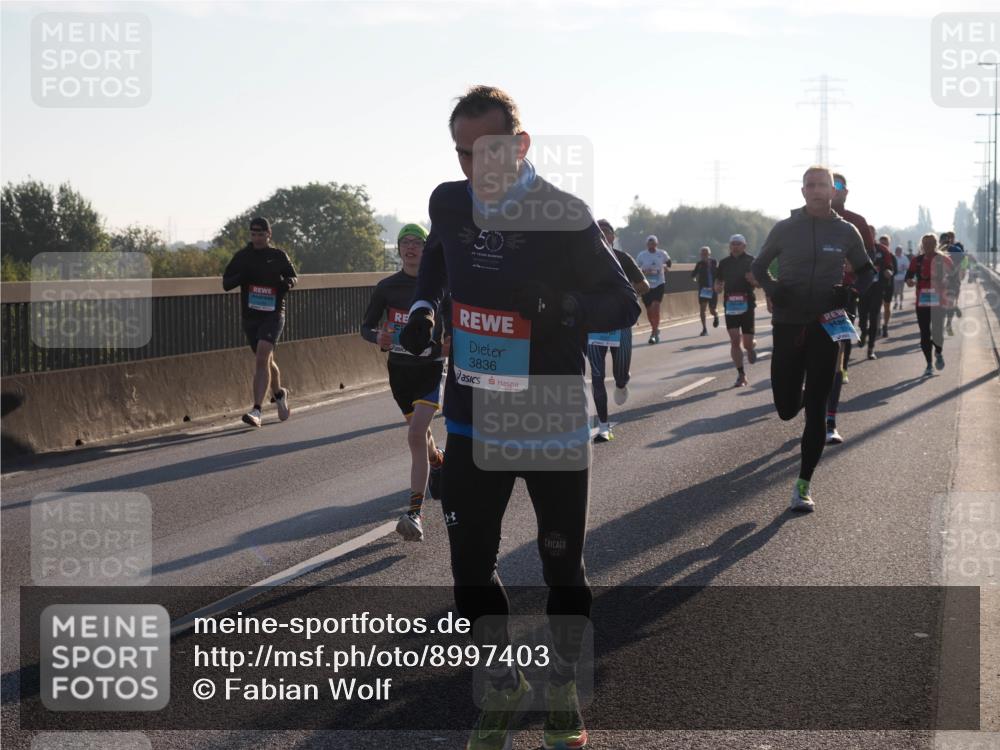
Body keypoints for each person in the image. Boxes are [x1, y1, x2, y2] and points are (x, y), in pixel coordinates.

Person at [400, 85, 640, 750]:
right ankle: (501, 685)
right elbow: (442, 258)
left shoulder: (564, 214)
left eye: (490, 152)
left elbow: (623, 305)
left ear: (522, 145)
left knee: (563, 567)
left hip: (550, 416)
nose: (477, 167)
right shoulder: (448, 202)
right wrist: (425, 308)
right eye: (463, 153)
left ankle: (563, 690)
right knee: (469, 571)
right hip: (474, 417)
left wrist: (560, 306)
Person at [751, 166, 874, 512]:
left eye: (823, 185)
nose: (817, 190)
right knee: (787, 408)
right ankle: (804, 398)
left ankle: (802, 485)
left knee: (817, 410)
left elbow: (868, 274)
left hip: (826, 326)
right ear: (802, 191)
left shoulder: (846, 231)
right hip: (788, 324)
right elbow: (759, 268)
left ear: (833, 191)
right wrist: (775, 289)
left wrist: (850, 294)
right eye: (811, 185)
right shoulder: (785, 229)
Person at [361, 223, 447, 542]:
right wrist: (377, 337)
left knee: (414, 435)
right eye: (405, 242)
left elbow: (451, 327)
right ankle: (438, 460)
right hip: (399, 373)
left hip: (428, 370)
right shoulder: (387, 287)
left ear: (426, 250)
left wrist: (447, 343)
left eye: (417, 242)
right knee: (421, 436)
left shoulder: (440, 287)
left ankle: (415, 512)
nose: (411, 247)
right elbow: (366, 327)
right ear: (398, 250)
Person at [222, 217, 297, 427]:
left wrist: (287, 283)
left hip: (274, 313)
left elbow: (294, 276)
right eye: (253, 234)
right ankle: (280, 393)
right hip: (251, 316)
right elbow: (226, 283)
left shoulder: (278, 255)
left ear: (268, 235)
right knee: (266, 360)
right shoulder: (242, 257)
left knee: (262, 355)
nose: (257, 238)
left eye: (261, 235)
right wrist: (242, 276)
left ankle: (257, 410)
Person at [588, 219, 649, 442]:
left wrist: (626, 294)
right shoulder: (585, 261)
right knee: (596, 376)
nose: (603, 236)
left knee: (619, 375)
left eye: (607, 233)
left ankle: (622, 381)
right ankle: (603, 426)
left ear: (613, 237)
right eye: (599, 232)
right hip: (594, 326)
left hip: (621, 324)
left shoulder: (624, 259)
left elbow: (644, 286)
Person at [831, 174, 880, 359]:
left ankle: (841, 370)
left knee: (840, 339)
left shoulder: (857, 221)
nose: (834, 189)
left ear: (846, 191)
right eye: (829, 184)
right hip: (811, 291)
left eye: (838, 185)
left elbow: (870, 258)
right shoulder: (804, 220)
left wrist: (855, 267)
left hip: (844, 291)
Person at [906, 232, 953, 376]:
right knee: (924, 333)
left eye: (931, 243)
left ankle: (938, 352)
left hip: (939, 299)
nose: (928, 246)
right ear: (922, 245)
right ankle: (928, 364)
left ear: (935, 244)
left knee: (937, 331)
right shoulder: (917, 260)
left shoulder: (944, 260)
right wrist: (910, 281)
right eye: (925, 244)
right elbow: (909, 276)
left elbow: (953, 278)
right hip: (923, 300)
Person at [714, 234, 757, 387]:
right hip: (730, 305)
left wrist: (753, 280)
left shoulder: (752, 261)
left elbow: (759, 283)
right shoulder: (724, 263)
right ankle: (741, 375)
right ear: (729, 246)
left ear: (744, 246)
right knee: (734, 340)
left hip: (747, 305)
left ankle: (751, 348)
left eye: (738, 244)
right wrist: (717, 287)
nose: (735, 246)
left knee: (746, 343)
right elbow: (718, 281)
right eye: (733, 244)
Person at [635, 234, 672, 344]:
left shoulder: (662, 254)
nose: (651, 245)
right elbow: (636, 268)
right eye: (649, 243)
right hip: (646, 285)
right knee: (649, 311)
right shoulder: (642, 255)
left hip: (659, 284)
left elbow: (669, 263)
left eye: (653, 243)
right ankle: (655, 328)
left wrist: (665, 267)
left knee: (656, 307)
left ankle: (654, 333)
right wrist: (643, 271)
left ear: (657, 243)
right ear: (647, 244)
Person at [942, 232, 968, 336]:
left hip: (953, 280)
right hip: (938, 282)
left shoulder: (956, 250)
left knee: (950, 302)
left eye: (949, 239)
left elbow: (963, 262)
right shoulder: (936, 251)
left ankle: (948, 324)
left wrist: (956, 272)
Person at [691, 245, 719, 335]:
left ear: (709, 254)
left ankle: (716, 316)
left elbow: (719, 273)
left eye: (706, 253)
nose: (704, 255)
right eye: (702, 254)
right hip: (704, 290)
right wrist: (694, 277)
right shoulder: (699, 264)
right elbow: (693, 274)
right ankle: (704, 329)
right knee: (702, 309)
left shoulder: (714, 262)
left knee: (712, 310)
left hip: (713, 289)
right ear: (700, 255)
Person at [877, 234, 897, 338]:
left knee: (887, 306)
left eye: (885, 243)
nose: (883, 245)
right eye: (881, 243)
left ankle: (885, 325)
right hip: (877, 285)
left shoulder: (891, 256)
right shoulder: (875, 254)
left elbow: (895, 271)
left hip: (888, 285)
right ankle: (878, 326)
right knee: (877, 307)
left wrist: (889, 272)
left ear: (888, 244)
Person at [892, 245, 908, 310]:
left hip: (902, 277)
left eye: (899, 250)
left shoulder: (904, 258)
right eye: (897, 250)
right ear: (895, 251)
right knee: (895, 291)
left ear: (901, 251)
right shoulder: (893, 258)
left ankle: (901, 304)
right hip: (895, 277)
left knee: (901, 292)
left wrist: (904, 267)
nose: (898, 252)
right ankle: (896, 302)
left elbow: (908, 266)